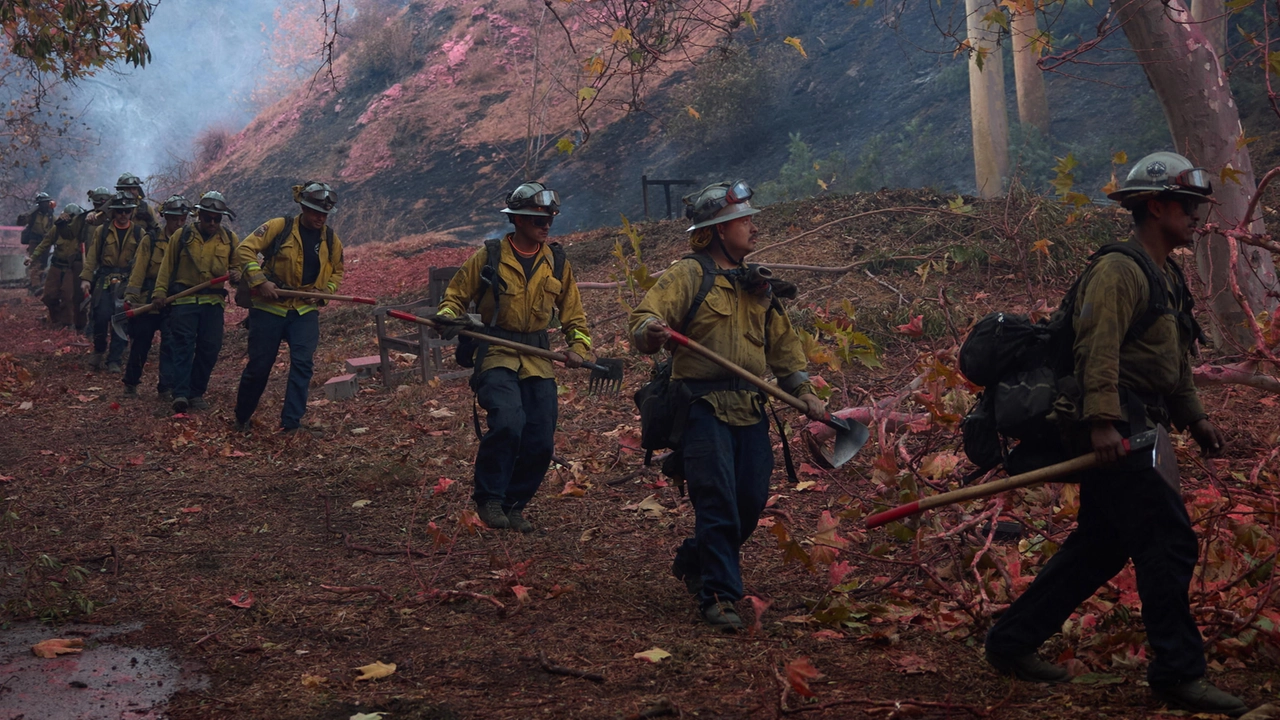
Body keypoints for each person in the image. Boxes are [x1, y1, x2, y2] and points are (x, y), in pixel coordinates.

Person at [983, 152, 1248, 717]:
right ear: (1157, 206)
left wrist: (1194, 418)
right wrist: (1101, 421)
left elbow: (1170, 360)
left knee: (1101, 545)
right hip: (1114, 427)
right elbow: (1094, 349)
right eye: (1189, 206)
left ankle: (1011, 642)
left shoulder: (1165, 274)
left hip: (1140, 422)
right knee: (1168, 543)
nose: (1198, 217)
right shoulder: (1118, 271)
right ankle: (1178, 672)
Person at [627, 180, 826, 632]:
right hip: (702, 409)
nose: (753, 228)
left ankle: (695, 561)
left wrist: (805, 391)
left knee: (750, 501)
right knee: (717, 501)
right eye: (744, 221)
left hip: (752, 408)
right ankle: (720, 595)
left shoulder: (759, 285)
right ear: (718, 230)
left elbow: (784, 349)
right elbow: (643, 320)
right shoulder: (688, 275)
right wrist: (652, 331)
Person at [431, 182, 593, 533]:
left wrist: (578, 348)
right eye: (538, 218)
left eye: (549, 218)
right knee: (508, 421)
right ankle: (489, 498)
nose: (546, 224)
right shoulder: (488, 256)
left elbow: (575, 317)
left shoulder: (557, 262)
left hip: (538, 357)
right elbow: (455, 296)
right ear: (517, 219)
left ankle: (514, 504)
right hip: (497, 352)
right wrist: (447, 315)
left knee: (540, 438)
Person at [233, 182, 345, 434]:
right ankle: (242, 417)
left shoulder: (330, 239)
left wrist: (324, 292)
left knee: (303, 364)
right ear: (303, 208)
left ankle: (291, 423)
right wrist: (260, 281)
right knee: (259, 367)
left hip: (304, 312)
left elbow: (337, 270)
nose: (321, 218)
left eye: (325, 214)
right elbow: (245, 250)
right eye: (316, 212)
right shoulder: (278, 227)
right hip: (269, 310)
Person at [152, 191, 240, 415]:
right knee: (182, 346)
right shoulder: (181, 237)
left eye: (216, 219)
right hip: (184, 301)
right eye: (208, 218)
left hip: (213, 303)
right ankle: (181, 393)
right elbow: (166, 267)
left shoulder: (229, 240)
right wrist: (159, 292)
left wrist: (238, 275)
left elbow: (239, 267)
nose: (212, 223)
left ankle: (196, 392)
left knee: (210, 348)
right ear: (198, 215)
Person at [122, 195, 190, 400]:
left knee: (170, 342)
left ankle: (166, 387)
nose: (179, 223)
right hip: (148, 300)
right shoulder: (150, 240)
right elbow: (139, 270)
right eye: (175, 219)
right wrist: (131, 297)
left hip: (175, 299)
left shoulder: (187, 242)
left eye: (182, 219)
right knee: (142, 341)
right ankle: (131, 383)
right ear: (165, 218)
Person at [80, 192, 145, 373]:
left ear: (132, 211)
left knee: (121, 320)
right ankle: (99, 349)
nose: (123, 215)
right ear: (113, 212)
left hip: (127, 281)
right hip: (104, 279)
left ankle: (114, 359)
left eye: (127, 211)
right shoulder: (102, 231)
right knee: (100, 317)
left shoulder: (140, 233)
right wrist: (86, 279)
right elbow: (92, 256)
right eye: (119, 211)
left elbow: (143, 260)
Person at [27, 202, 88, 330]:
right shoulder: (58, 228)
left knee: (68, 296)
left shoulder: (83, 229)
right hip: (56, 265)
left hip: (71, 267)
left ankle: (67, 323)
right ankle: (56, 318)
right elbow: (45, 243)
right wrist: (33, 257)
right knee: (49, 296)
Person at [21, 192, 57, 296]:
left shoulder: (51, 216)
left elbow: (58, 225)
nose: (46, 205)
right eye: (44, 203)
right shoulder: (33, 216)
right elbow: (21, 222)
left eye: (47, 202)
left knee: (43, 263)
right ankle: (35, 285)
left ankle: (39, 285)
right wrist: (23, 217)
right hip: (34, 241)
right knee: (34, 262)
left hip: (46, 242)